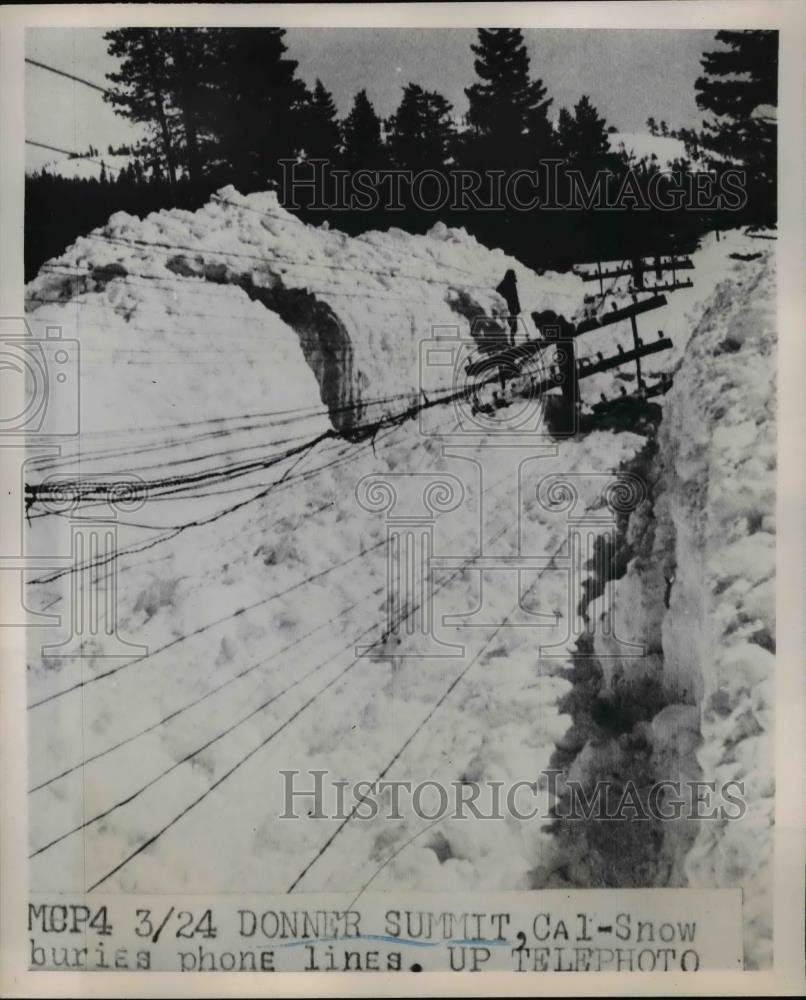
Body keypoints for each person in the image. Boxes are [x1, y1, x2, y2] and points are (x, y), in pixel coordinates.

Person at [495, 269, 520, 345]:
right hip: (508, 309)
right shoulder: (506, 283)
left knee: (513, 327)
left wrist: (517, 307)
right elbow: (498, 292)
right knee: (511, 327)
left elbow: (515, 297)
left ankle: (510, 342)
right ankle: (510, 342)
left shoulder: (510, 283)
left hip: (512, 309)